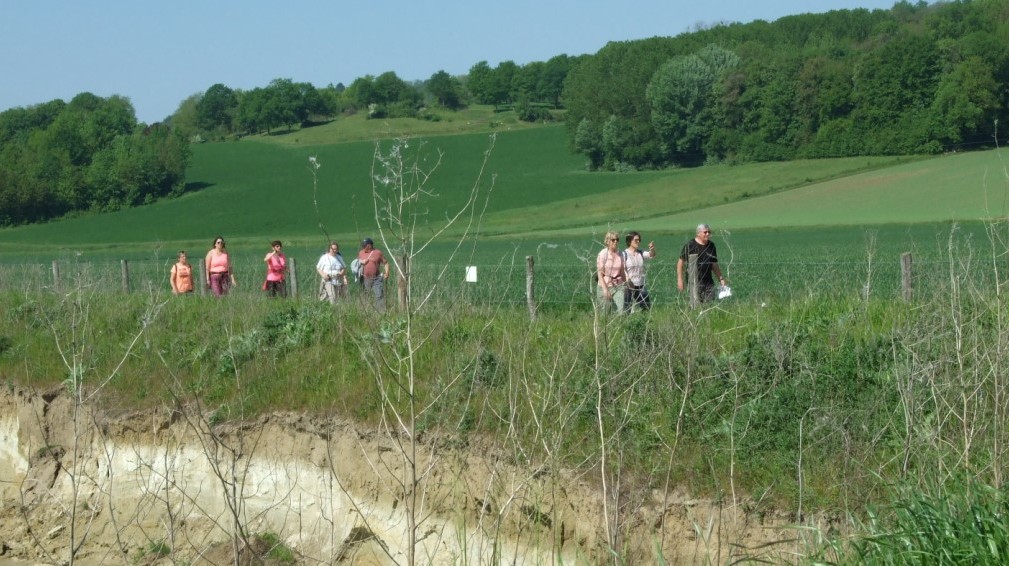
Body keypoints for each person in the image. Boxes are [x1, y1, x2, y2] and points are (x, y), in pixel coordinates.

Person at [677, 223, 727, 303]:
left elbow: (714, 264)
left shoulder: (711, 245)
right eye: (705, 232)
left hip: (708, 281)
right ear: (698, 233)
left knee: (710, 303)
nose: (708, 234)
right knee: (695, 303)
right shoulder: (690, 245)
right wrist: (680, 279)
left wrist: (721, 279)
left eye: (709, 232)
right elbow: (680, 262)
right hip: (694, 281)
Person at [622, 231, 656, 312]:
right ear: (630, 241)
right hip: (628, 285)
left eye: (639, 240)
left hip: (640, 285)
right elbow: (622, 268)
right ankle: (626, 322)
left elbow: (651, 255)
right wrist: (627, 279)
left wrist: (652, 249)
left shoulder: (640, 253)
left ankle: (644, 321)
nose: (638, 242)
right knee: (627, 308)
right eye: (636, 240)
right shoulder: (624, 254)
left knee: (646, 306)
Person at [595, 230, 626, 314]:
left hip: (618, 286)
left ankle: (621, 325)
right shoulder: (603, 254)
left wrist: (626, 284)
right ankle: (605, 326)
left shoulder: (621, 255)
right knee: (606, 313)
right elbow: (600, 274)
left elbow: (622, 271)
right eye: (613, 240)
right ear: (607, 241)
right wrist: (605, 290)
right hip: (604, 286)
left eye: (617, 239)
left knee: (622, 309)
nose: (615, 241)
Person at [357, 238, 390, 312]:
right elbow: (357, 263)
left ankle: (381, 312)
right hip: (365, 279)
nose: (363, 247)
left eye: (364, 246)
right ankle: (365, 311)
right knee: (365, 296)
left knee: (379, 295)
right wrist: (361, 262)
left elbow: (385, 263)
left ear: (369, 246)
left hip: (377, 278)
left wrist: (387, 272)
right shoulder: (361, 253)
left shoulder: (378, 253)